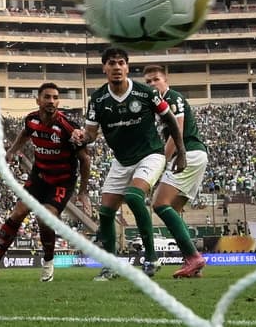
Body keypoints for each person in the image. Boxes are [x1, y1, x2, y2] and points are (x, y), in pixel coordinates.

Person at [73, 47, 185, 281]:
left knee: (134, 197)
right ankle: (111, 266)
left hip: (151, 155)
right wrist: (82, 137)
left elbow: (171, 120)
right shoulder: (98, 99)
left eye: (121, 62)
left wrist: (181, 152)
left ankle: (151, 258)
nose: (116, 67)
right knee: (105, 212)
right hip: (122, 161)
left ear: (127, 67)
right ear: (104, 68)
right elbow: (92, 134)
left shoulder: (145, 93)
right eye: (111, 63)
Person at [0, 82, 90, 283]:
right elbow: (25, 133)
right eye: (47, 97)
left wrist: (83, 192)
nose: (52, 101)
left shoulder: (67, 128)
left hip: (62, 182)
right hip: (38, 177)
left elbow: (85, 159)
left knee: (44, 218)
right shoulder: (31, 120)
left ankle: (48, 264)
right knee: (17, 214)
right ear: (38, 100)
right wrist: (12, 151)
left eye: (55, 97)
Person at [142, 65, 207, 279]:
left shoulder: (172, 97)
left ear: (166, 80)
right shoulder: (158, 106)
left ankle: (193, 257)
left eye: (155, 79)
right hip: (194, 155)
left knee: (159, 203)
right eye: (148, 82)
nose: (152, 84)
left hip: (188, 153)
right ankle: (191, 262)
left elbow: (177, 129)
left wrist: (161, 164)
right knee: (174, 210)